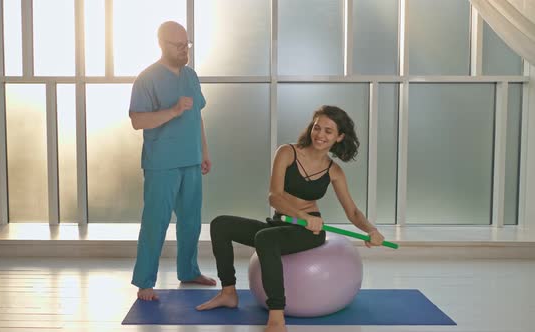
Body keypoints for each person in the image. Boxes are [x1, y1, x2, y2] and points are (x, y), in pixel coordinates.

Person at [196, 105, 385, 332]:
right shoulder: (287, 152)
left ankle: (277, 317)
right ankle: (228, 293)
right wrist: (302, 214)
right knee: (220, 225)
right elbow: (274, 197)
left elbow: (353, 212)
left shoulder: (334, 171)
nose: (320, 135)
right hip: (282, 222)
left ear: (339, 137)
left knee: (265, 239)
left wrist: (371, 231)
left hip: (308, 231)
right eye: (317, 128)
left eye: (328, 131)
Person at [128, 21, 216, 301]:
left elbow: (197, 116)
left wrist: (204, 151)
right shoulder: (147, 79)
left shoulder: (191, 76)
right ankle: (144, 283)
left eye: (186, 44)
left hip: (191, 159)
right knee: (156, 222)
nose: (184, 50)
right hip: (162, 163)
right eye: (178, 45)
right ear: (161, 44)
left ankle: (189, 271)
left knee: (191, 222)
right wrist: (173, 110)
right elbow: (137, 120)